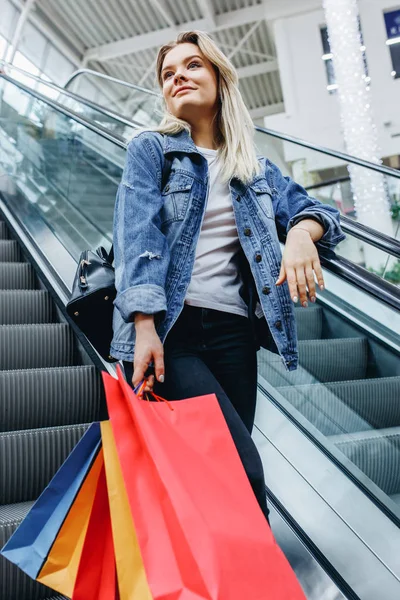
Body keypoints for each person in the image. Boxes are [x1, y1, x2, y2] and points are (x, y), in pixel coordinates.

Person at [110, 31, 345, 520]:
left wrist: (301, 235)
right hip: (174, 331)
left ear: (219, 77)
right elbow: (137, 241)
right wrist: (145, 326)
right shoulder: (151, 151)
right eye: (168, 73)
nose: (179, 77)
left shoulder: (254, 168)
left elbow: (316, 209)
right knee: (244, 471)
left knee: (218, 479)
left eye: (192, 66)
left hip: (236, 335)